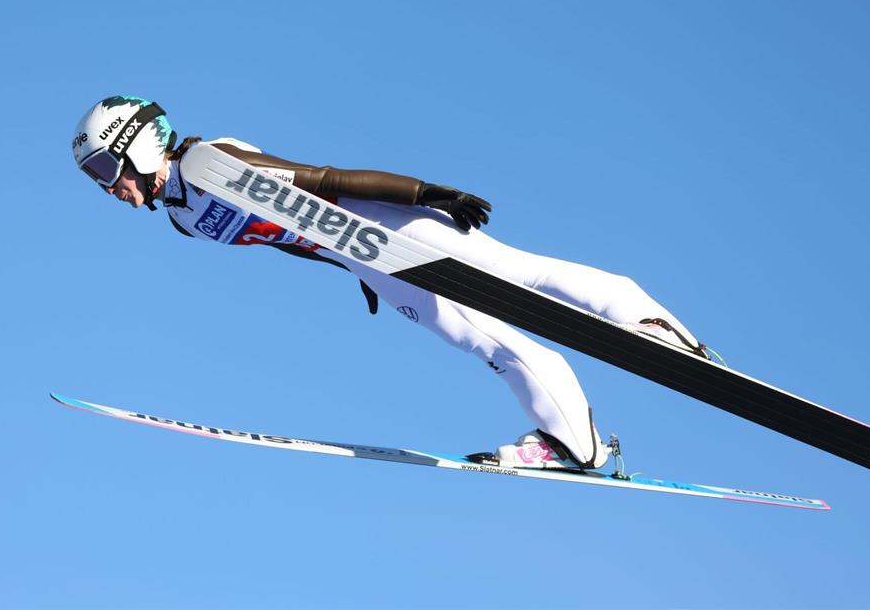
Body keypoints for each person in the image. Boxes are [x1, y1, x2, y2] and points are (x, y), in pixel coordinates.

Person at [72, 95, 711, 471]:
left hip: (385, 222)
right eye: (96, 177)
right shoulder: (182, 217)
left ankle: (649, 325)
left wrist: (427, 193)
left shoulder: (208, 163)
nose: (109, 186)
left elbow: (320, 180)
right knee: (480, 338)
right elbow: (288, 238)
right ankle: (577, 443)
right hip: (366, 256)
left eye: (106, 166)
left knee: (515, 275)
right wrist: (356, 269)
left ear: (136, 144)